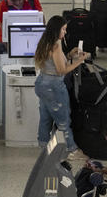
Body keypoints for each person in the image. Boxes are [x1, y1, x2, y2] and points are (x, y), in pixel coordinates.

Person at [33, 15, 87, 154]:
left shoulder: (45, 41)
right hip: (54, 86)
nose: (65, 32)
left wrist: (69, 55)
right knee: (63, 119)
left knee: (45, 117)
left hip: (42, 83)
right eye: (63, 29)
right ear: (56, 30)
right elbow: (62, 70)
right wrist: (80, 61)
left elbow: (55, 62)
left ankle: (44, 146)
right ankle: (71, 149)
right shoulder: (56, 45)